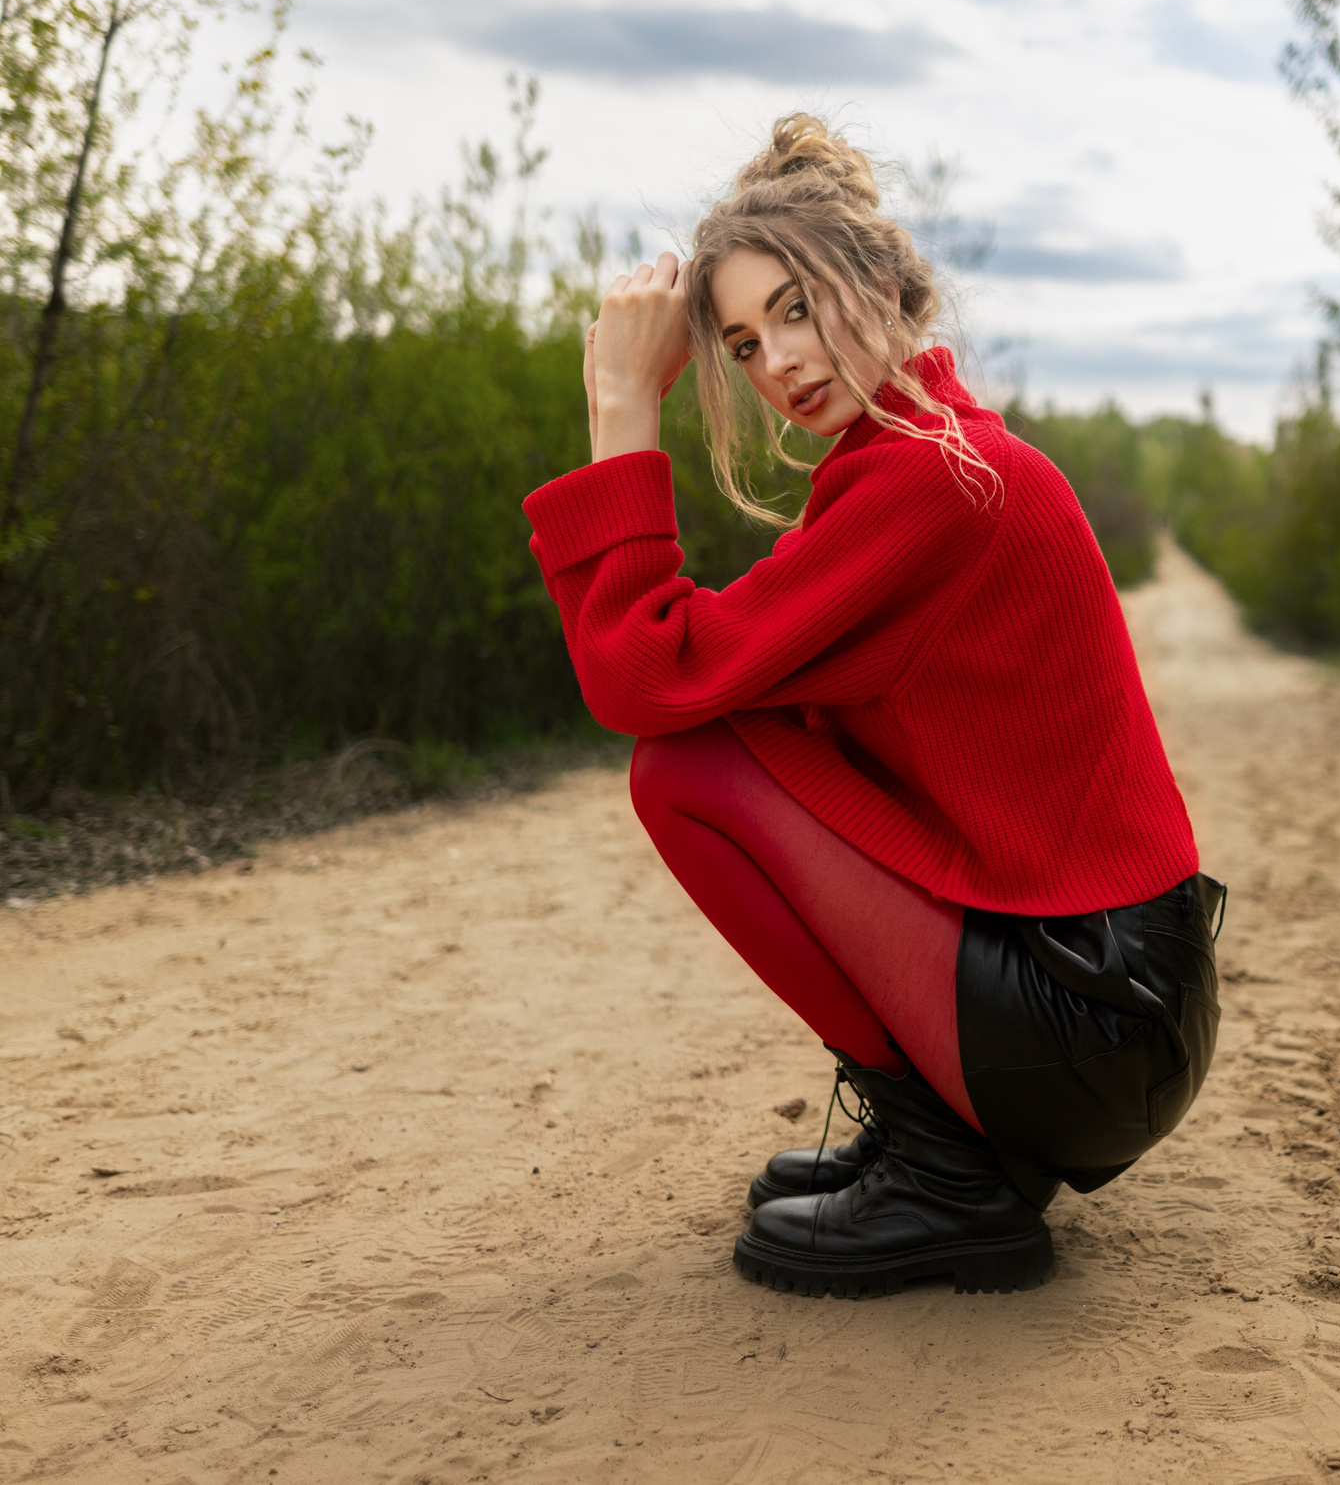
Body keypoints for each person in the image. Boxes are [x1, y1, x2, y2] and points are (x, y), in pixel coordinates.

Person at [522, 113, 1221, 1299]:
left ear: (891, 288)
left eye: (797, 307)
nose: (776, 361)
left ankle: (953, 1175)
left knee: (685, 765)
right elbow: (699, 674)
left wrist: (620, 404)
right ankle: (941, 1141)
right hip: (1108, 1011)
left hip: (1092, 1017)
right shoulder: (928, 456)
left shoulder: (935, 482)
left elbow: (640, 677)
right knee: (734, 726)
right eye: (741, 342)